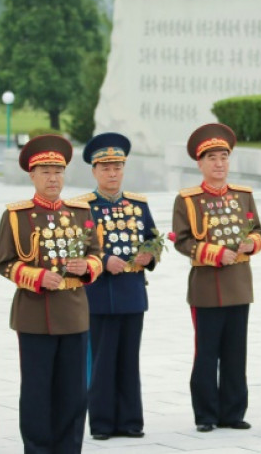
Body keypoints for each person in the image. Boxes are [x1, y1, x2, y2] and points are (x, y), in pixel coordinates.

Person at [0, 134, 103, 453]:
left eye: (58, 172)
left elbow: (96, 253)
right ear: (32, 175)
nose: (53, 178)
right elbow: (5, 263)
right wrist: (38, 276)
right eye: (45, 172)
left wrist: (87, 266)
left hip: (73, 313)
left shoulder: (80, 213)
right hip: (34, 315)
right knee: (37, 392)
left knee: (74, 392)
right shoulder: (16, 217)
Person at [172, 123, 261, 432]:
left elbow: (258, 232)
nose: (219, 164)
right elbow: (182, 241)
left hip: (239, 284)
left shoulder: (243, 196)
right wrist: (212, 253)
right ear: (200, 163)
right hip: (206, 287)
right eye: (212, 158)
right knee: (206, 353)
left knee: (236, 353)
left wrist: (252, 244)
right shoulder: (188, 200)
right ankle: (206, 414)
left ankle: (233, 412)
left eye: (224, 157)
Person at [76, 133, 158, 440]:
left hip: (132, 293)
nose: (112, 173)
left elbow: (152, 236)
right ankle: (101, 423)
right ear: (94, 171)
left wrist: (150, 255)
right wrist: (106, 258)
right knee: (100, 360)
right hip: (98, 295)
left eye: (117, 167)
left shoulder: (137, 204)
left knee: (128, 360)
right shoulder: (83, 207)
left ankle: (130, 421)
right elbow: (79, 246)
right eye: (106, 168)